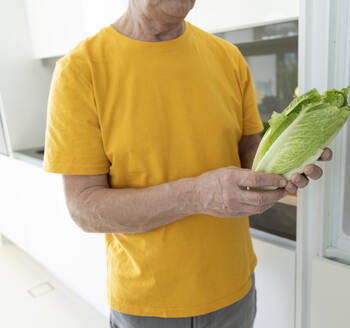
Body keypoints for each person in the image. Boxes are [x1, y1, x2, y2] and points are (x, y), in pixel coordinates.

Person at [43, 0, 332, 327]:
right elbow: (84, 208)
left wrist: (291, 155)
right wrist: (196, 195)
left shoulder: (227, 58)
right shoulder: (81, 69)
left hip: (235, 289)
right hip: (148, 306)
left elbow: (249, 149)